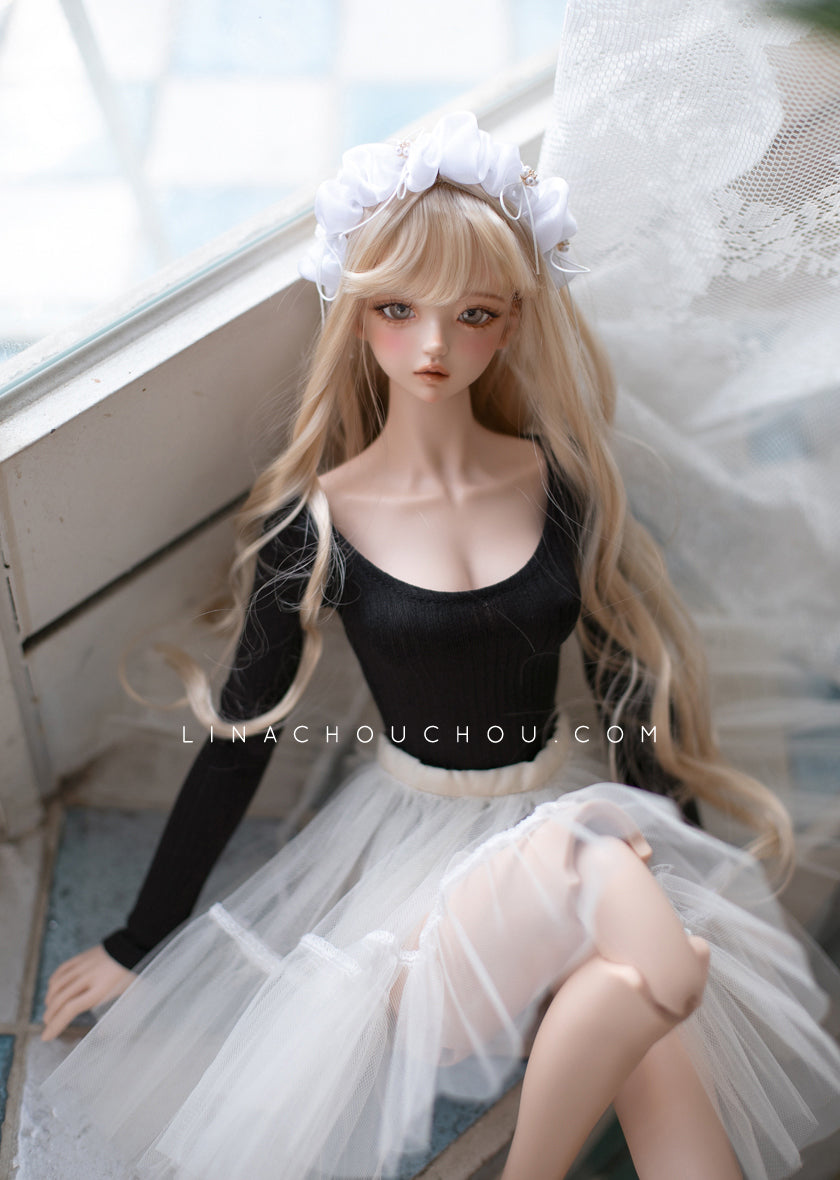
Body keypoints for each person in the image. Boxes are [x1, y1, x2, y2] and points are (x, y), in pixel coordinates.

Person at [41, 112, 840, 1180]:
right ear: (357, 314)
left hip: (561, 818)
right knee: (619, 896)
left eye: (472, 316)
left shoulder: (559, 484)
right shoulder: (317, 524)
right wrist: (141, 939)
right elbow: (243, 738)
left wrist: (683, 857)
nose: (433, 346)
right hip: (428, 887)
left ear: (509, 324)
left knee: (645, 1003)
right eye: (398, 310)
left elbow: (625, 689)